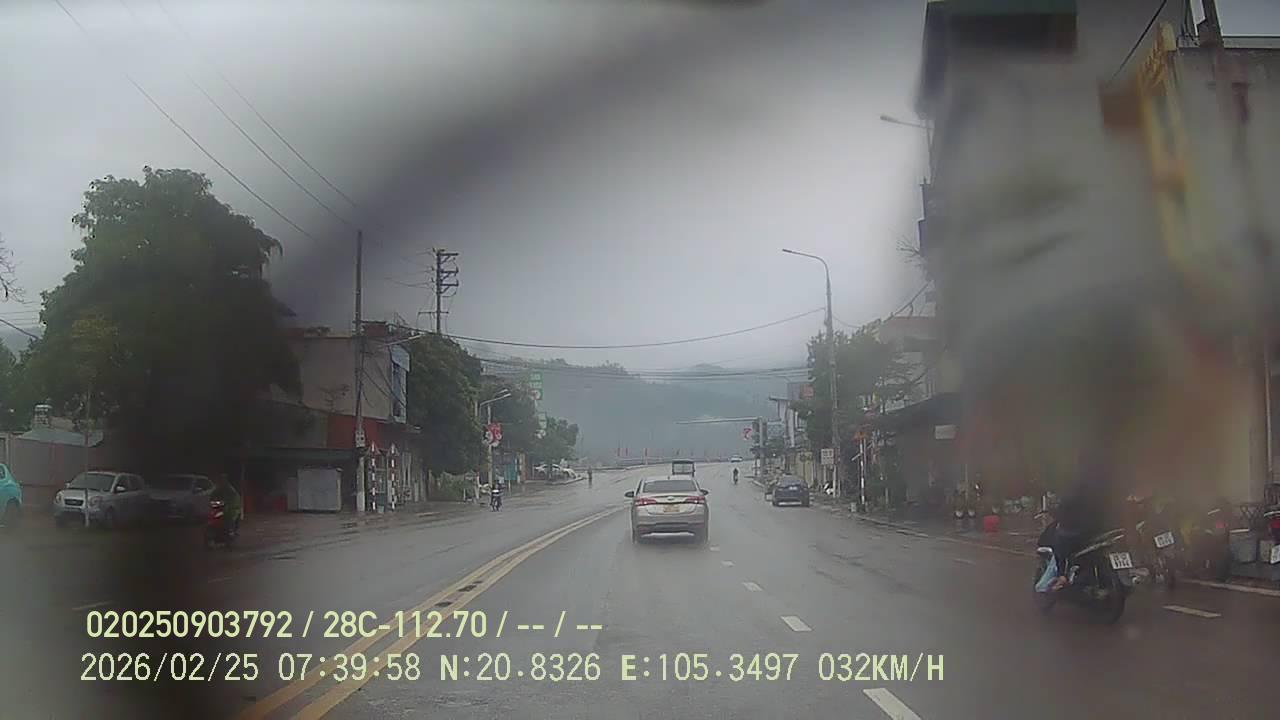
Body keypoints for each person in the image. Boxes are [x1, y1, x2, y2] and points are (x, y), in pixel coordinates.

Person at [1045, 454, 1111, 591]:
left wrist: (1056, 513)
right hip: (1099, 528)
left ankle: (1062, 576)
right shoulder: (1102, 482)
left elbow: (1065, 507)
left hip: (1078, 531)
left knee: (1058, 542)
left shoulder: (1075, 485)